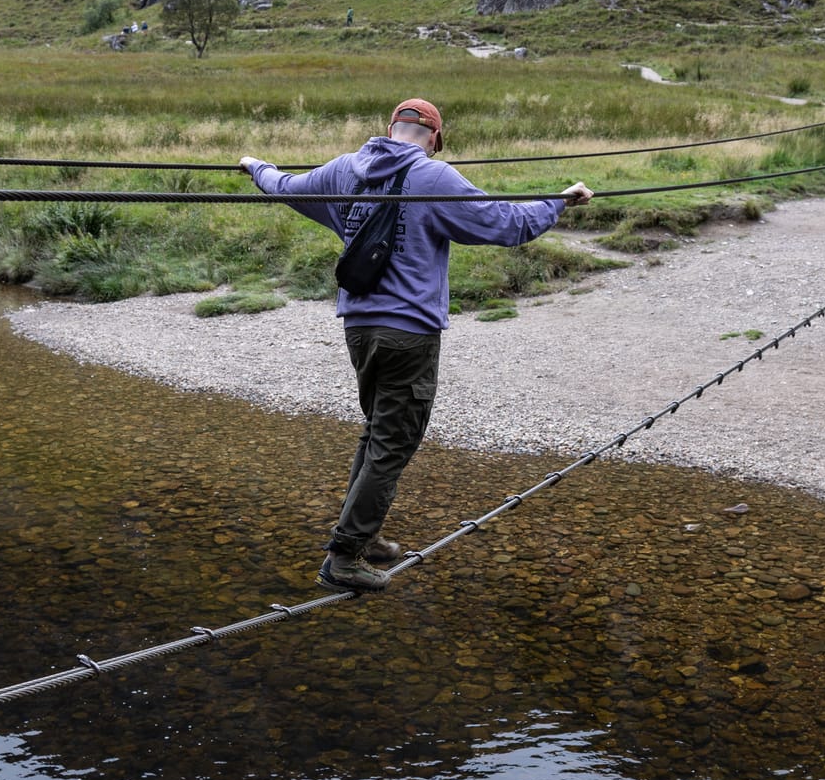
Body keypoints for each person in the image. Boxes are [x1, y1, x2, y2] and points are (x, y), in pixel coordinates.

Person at [240, 99, 593, 594]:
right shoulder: (433, 176)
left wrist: (256, 166)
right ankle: (343, 558)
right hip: (408, 334)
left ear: (390, 129)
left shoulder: (344, 170)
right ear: (434, 139)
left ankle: (363, 536)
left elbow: (285, 186)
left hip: (358, 328)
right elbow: (509, 225)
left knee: (377, 433)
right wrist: (559, 201)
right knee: (392, 443)